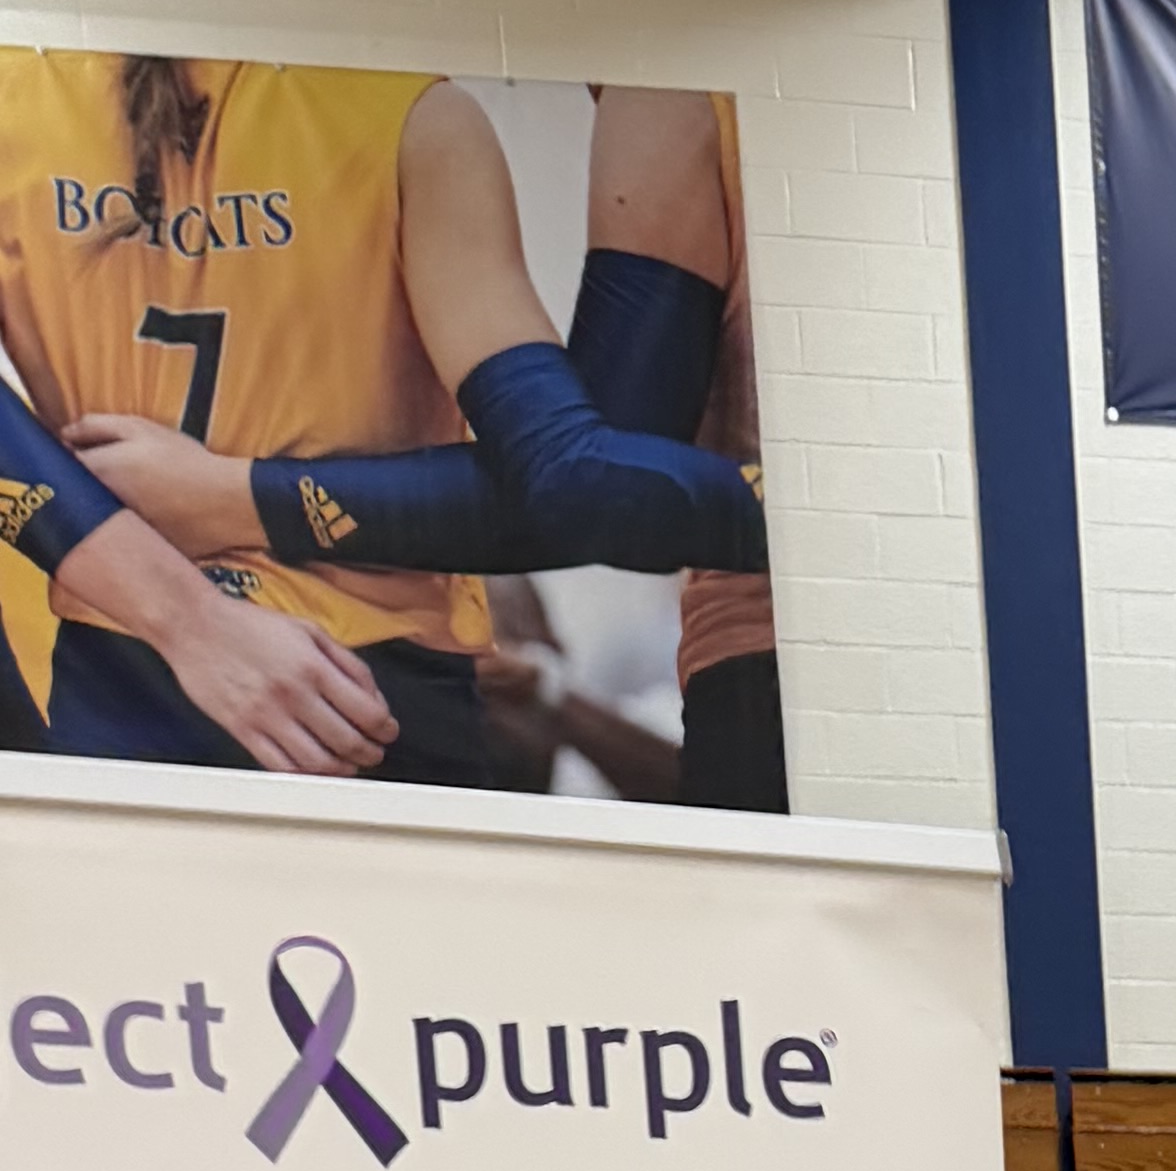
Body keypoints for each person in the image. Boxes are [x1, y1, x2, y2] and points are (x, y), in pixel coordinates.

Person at [8, 52, 763, 780]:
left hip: (121, 677)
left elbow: (580, 485)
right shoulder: (413, 115)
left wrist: (195, 591)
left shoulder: (21, 93)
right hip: (374, 695)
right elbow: (577, 482)